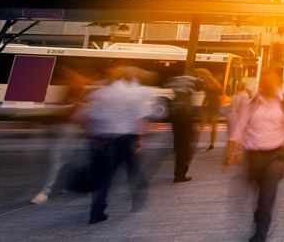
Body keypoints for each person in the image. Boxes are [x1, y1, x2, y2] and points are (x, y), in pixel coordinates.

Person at [72, 65, 156, 224]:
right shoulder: (134, 94)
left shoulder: (100, 93)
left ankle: (96, 213)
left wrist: (89, 135)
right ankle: (137, 197)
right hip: (127, 138)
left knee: (104, 177)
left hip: (104, 140)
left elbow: (85, 116)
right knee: (133, 170)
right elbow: (140, 118)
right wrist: (139, 139)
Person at [227, 72, 284, 242]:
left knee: (266, 197)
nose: (267, 84)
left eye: (271, 81)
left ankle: (260, 235)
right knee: (258, 194)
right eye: (264, 81)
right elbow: (240, 127)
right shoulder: (252, 102)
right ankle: (260, 218)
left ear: (278, 82)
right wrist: (231, 151)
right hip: (253, 155)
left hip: (276, 155)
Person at [31, 69, 92, 204]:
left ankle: (45, 191)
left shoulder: (77, 90)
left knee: (57, 158)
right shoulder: (72, 90)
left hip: (69, 129)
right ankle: (65, 187)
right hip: (66, 129)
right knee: (67, 159)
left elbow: (75, 111)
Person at [164, 73, 202, 183]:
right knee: (186, 147)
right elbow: (200, 87)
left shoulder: (175, 79)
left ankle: (178, 170)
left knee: (179, 143)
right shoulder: (194, 80)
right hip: (185, 115)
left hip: (175, 115)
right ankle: (180, 175)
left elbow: (166, 85)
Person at [195, 69, 224, 151]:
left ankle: (210, 144)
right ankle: (211, 144)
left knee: (208, 126)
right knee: (210, 126)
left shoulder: (214, 84)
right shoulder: (210, 84)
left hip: (213, 107)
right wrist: (202, 106)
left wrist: (202, 106)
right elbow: (207, 96)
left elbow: (210, 96)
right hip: (211, 107)